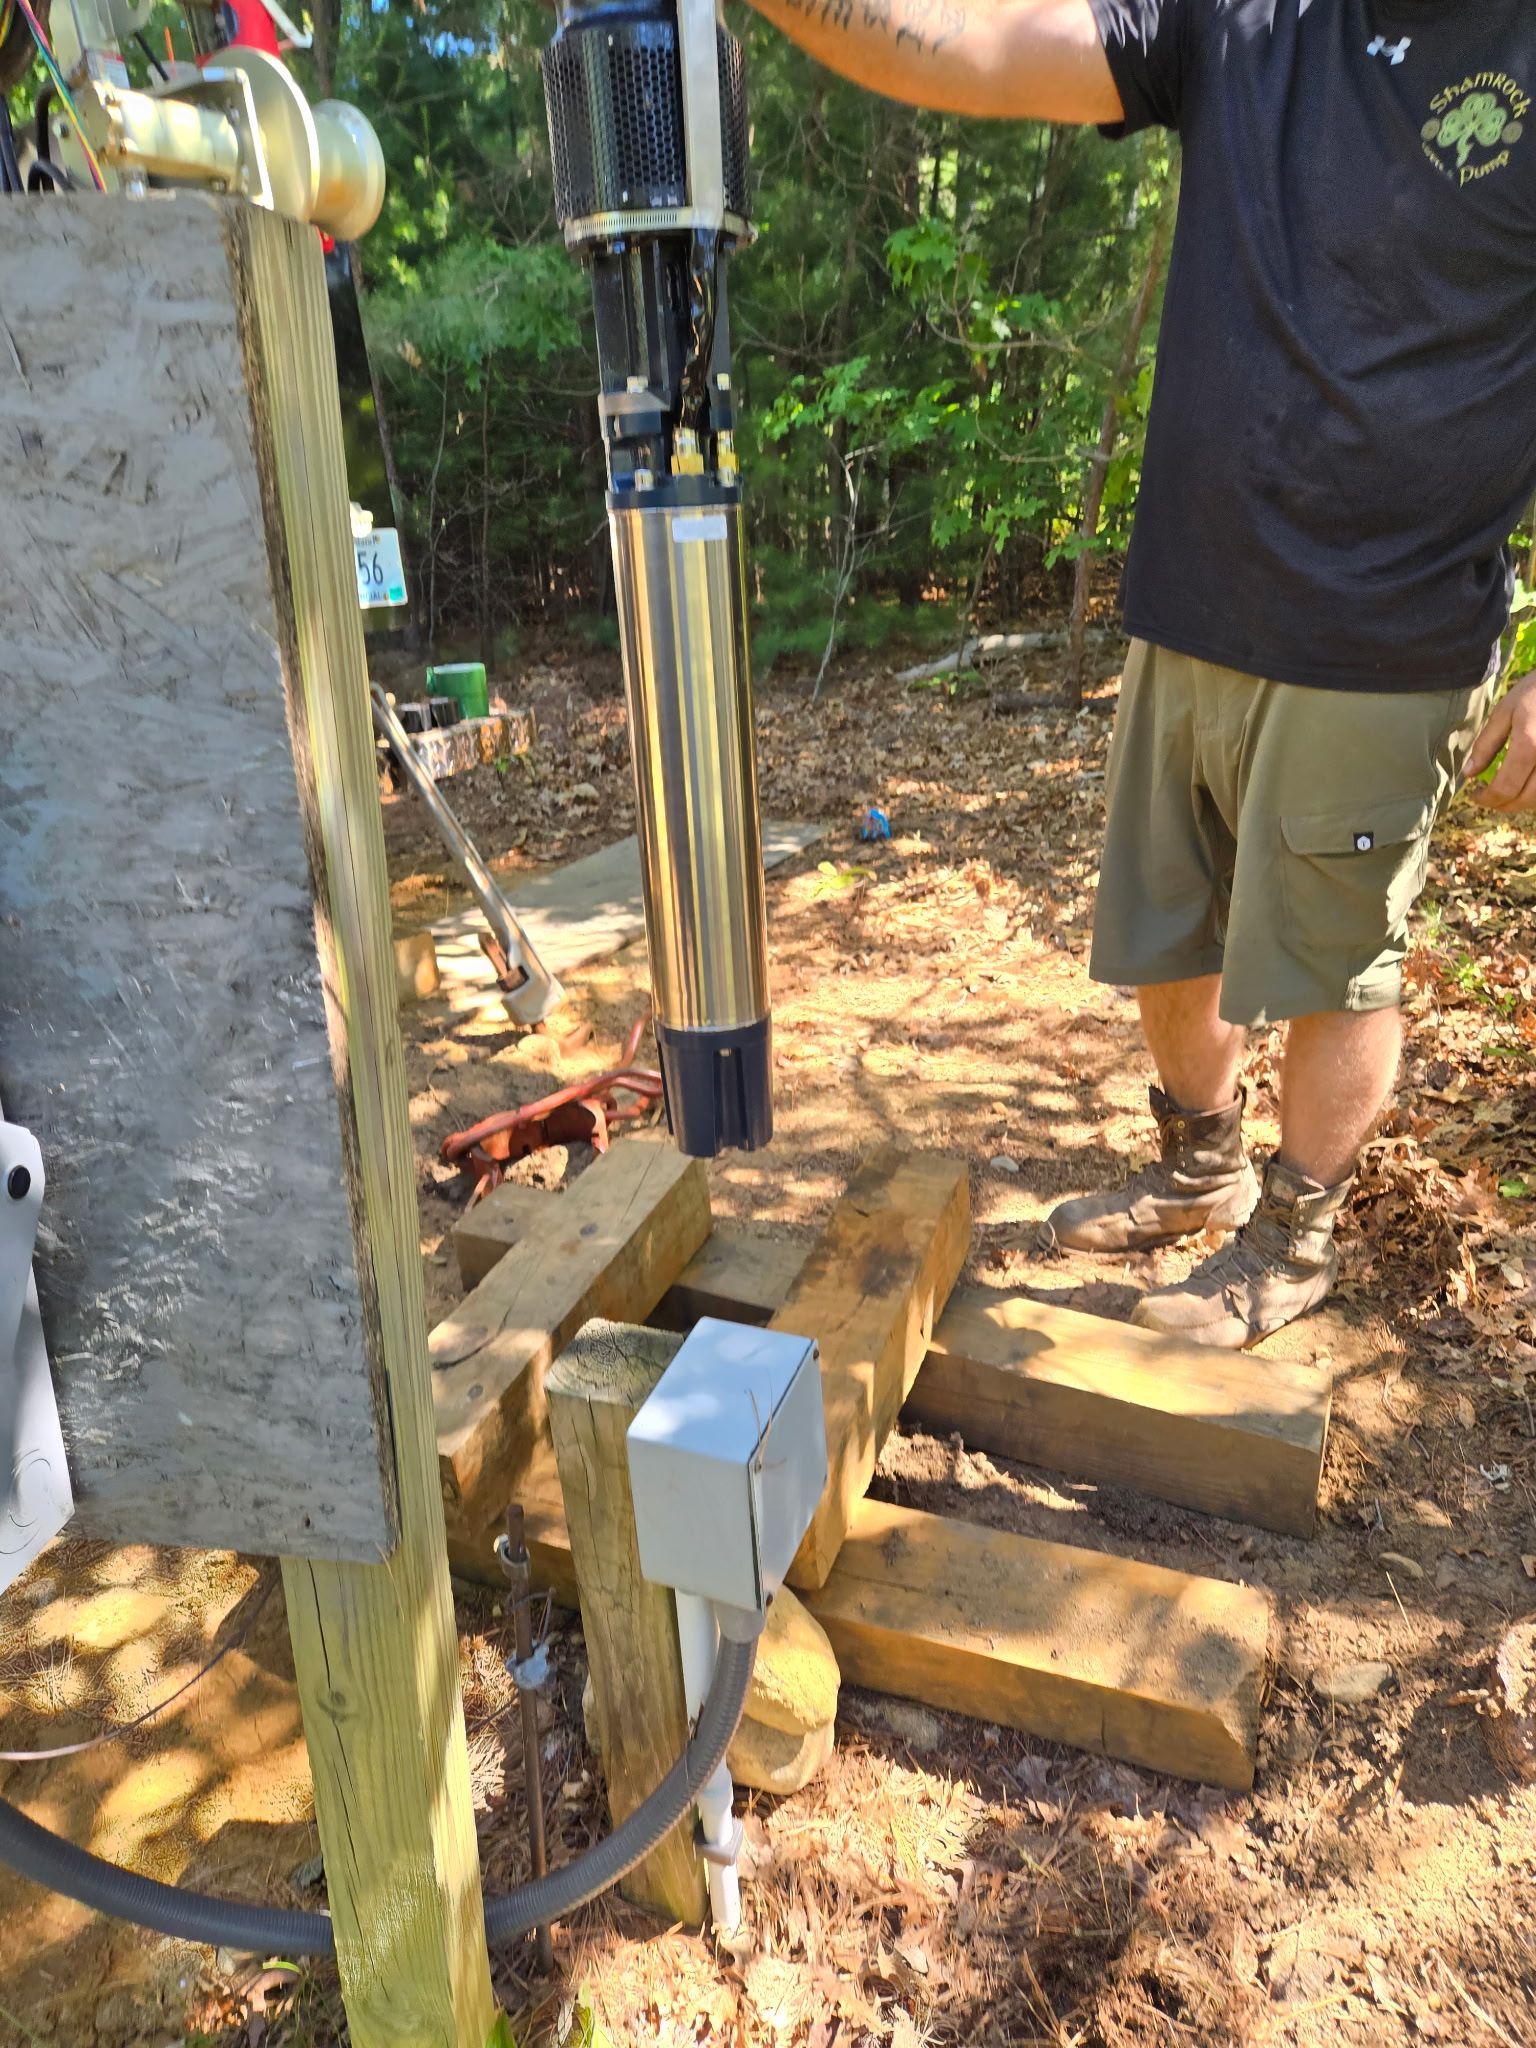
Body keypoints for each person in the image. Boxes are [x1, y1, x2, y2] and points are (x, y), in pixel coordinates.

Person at [740, 0, 1536, 1348]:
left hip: (1385, 622)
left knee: (1334, 958)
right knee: (1173, 922)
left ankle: (1297, 1234)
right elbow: (981, 48)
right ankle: (1201, 1167)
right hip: (1197, 595)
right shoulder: (1249, 20)